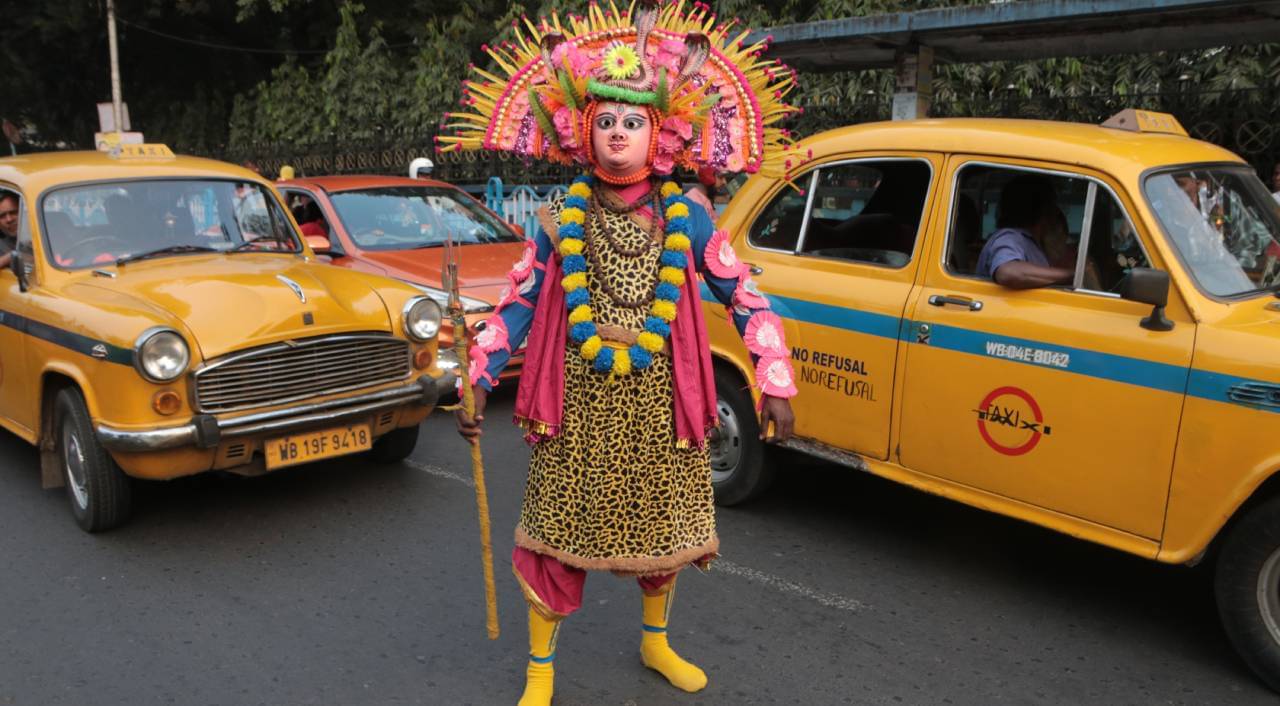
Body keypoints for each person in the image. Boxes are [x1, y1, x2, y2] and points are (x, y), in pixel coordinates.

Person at [440, 4, 800, 704]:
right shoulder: (555, 218)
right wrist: (478, 375)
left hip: (664, 402)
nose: (617, 136)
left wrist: (773, 379)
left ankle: (656, 641)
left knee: (663, 535)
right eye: (605, 121)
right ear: (584, 129)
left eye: (632, 122)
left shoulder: (687, 215)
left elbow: (745, 295)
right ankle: (540, 673)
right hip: (575, 406)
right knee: (554, 540)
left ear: (658, 133)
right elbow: (516, 303)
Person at [975, 175, 1074, 289]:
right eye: (1053, 203)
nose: (1057, 211)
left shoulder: (1033, 243)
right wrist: (1070, 275)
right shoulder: (1010, 237)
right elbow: (1008, 272)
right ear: (1044, 208)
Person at [0, 192, 20, 270]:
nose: (9, 219)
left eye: (13, 212)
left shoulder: (45, 235)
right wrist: (8, 258)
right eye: (2, 216)